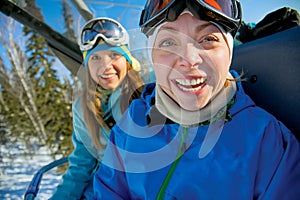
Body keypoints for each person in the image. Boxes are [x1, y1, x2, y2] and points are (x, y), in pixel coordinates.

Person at [92, 1, 300, 200]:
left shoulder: (266, 141)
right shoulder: (133, 121)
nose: (189, 60)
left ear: (228, 52)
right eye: (168, 42)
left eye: (208, 39)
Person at [50, 17, 146, 199]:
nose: (105, 66)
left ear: (127, 59)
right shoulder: (83, 107)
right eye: (95, 58)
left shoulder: (147, 89)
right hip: (105, 188)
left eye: (114, 55)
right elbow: (82, 163)